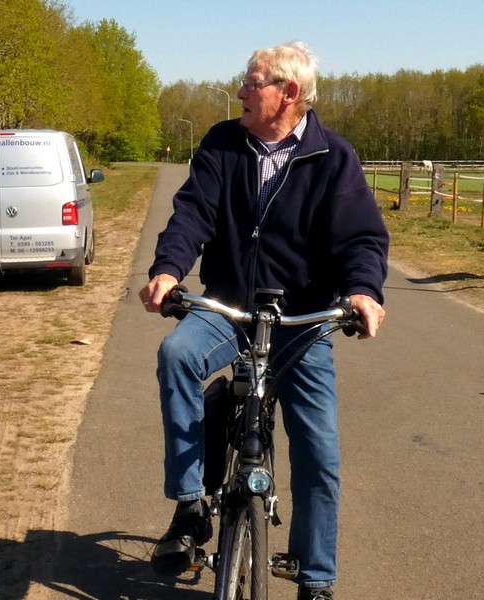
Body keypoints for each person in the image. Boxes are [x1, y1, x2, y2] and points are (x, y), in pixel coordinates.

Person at [138, 40, 389, 600]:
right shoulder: (223, 143)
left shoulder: (333, 156)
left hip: (302, 324)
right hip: (229, 307)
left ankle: (316, 578)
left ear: (288, 93)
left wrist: (363, 291)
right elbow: (193, 212)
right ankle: (190, 506)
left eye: (252, 83)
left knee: (319, 449)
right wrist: (169, 269)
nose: (240, 92)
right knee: (177, 353)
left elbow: (361, 238)